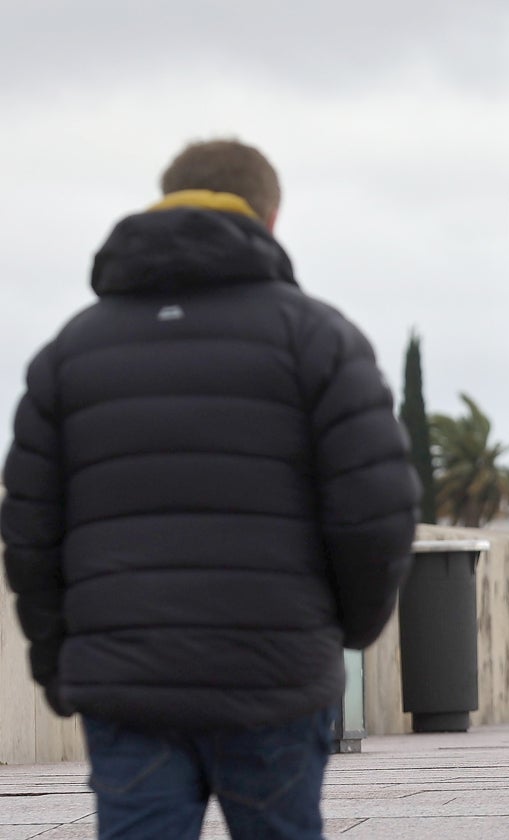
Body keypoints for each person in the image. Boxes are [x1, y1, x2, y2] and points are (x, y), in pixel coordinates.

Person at [0, 139, 419, 839]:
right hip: (277, 675)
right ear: (269, 218)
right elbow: (376, 515)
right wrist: (340, 636)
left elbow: (29, 533)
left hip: (127, 685)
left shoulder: (69, 353)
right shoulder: (319, 339)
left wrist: (62, 667)